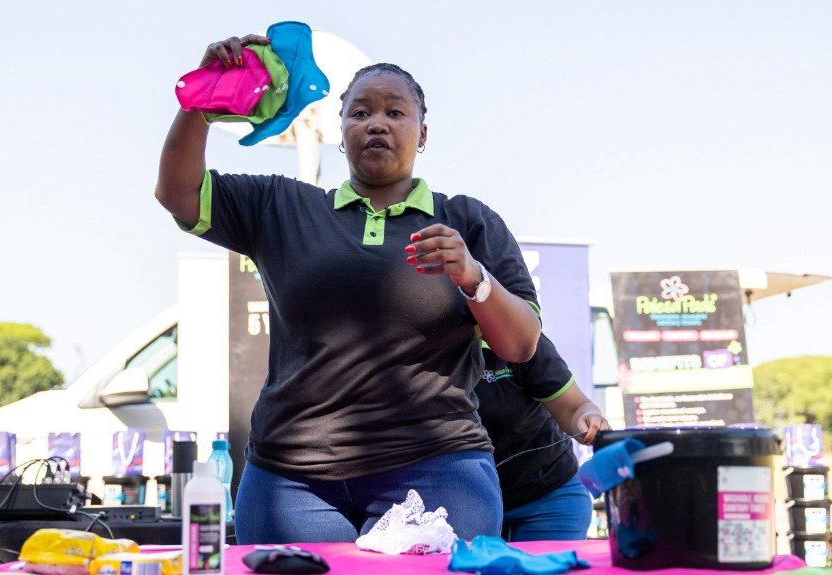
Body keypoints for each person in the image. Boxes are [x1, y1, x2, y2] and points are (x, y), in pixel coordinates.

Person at [155, 34, 543, 544]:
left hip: (439, 470)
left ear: (422, 133)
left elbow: (521, 345)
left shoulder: (467, 221)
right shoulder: (282, 207)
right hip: (291, 480)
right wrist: (203, 100)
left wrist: (473, 276)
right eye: (359, 112)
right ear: (340, 131)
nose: (377, 123)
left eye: (395, 112)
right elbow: (177, 192)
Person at [475, 334, 610, 541]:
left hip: (549, 496)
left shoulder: (516, 332)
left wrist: (589, 418)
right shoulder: (428, 345)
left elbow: (575, 407)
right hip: (468, 502)